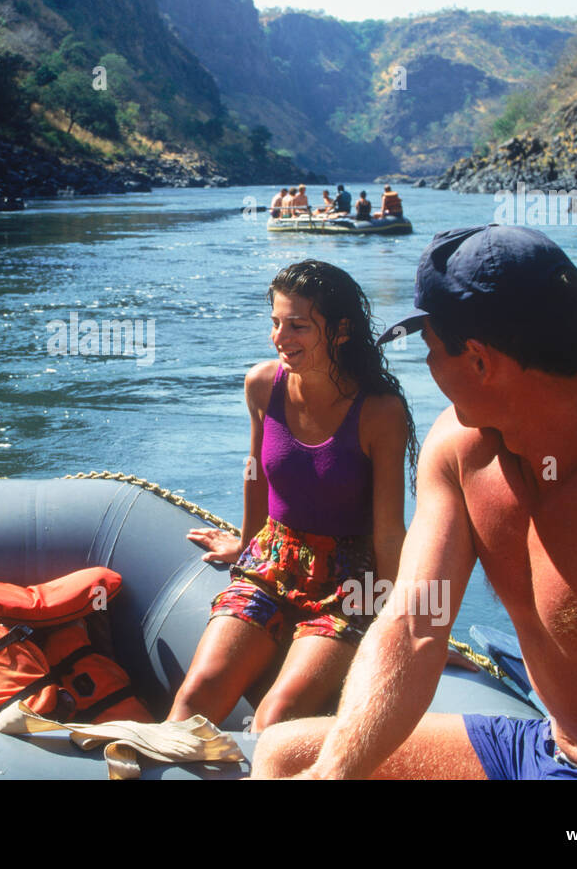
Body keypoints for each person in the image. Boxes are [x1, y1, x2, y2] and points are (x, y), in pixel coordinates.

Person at [254, 225, 577, 778]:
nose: (429, 368)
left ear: (479, 361)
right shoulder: (459, 448)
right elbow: (415, 625)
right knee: (283, 753)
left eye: (431, 350)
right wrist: (335, 774)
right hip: (545, 746)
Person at [170, 261, 416, 731]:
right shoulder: (263, 386)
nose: (280, 338)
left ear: (341, 330)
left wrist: (396, 618)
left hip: (350, 582)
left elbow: (388, 531)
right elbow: (255, 475)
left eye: (298, 326)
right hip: (273, 560)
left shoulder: (381, 412)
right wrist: (244, 544)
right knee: (196, 693)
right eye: (276, 323)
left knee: (278, 718)